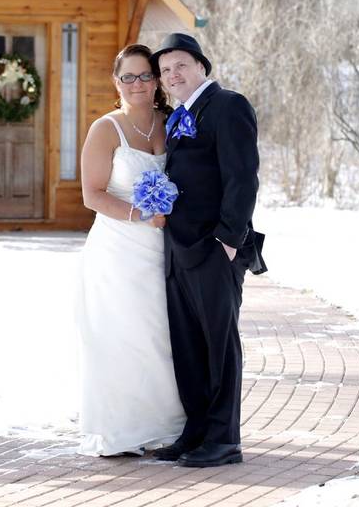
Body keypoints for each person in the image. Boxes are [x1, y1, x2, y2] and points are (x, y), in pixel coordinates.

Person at [150, 33, 266, 468]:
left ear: (201, 65)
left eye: (180, 64)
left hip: (215, 248)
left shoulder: (228, 106)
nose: (172, 75)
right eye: (165, 71)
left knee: (219, 344)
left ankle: (223, 439)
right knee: (188, 345)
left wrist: (229, 240)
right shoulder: (180, 115)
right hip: (178, 249)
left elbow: (243, 177)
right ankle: (196, 431)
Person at [75, 43, 186, 456]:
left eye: (145, 76)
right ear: (116, 82)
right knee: (125, 335)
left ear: (157, 81)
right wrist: (140, 214)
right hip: (119, 251)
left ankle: (170, 427)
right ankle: (124, 429)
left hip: (165, 248)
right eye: (128, 77)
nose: (137, 84)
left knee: (163, 336)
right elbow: (92, 195)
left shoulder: (172, 122)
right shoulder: (106, 129)